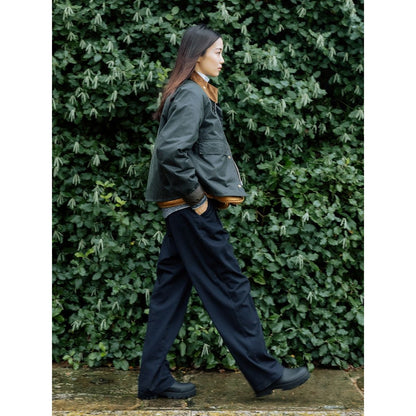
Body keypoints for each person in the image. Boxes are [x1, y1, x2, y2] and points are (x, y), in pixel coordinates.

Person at [138, 24, 310, 400]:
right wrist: (197, 199)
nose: (222, 59)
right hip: (189, 209)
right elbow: (170, 151)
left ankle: (152, 379)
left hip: (180, 211)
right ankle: (265, 372)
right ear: (197, 55)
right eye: (217, 52)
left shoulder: (196, 92)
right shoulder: (191, 94)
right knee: (230, 284)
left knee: (170, 292)